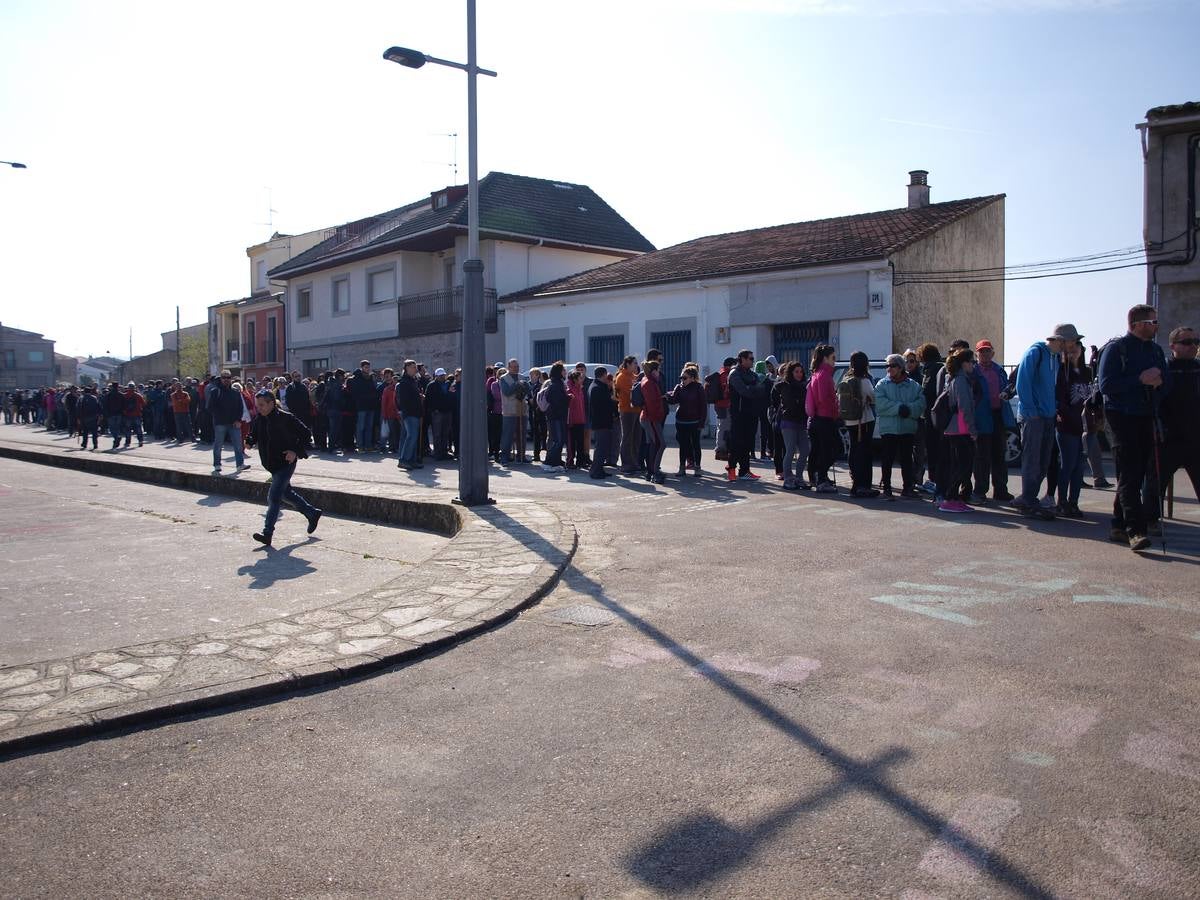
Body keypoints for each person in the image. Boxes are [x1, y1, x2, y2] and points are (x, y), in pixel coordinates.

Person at [1099, 305, 1171, 551]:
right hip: (1122, 417)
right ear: (1138, 324)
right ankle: (1136, 531)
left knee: (1136, 473)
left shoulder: (1155, 351)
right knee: (1130, 474)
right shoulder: (1116, 348)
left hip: (1146, 416)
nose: (1156, 326)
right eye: (1152, 321)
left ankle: (1118, 525)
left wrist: (1158, 384)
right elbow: (1106, 385)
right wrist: (1140, 379)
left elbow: (1166, 384)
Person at [244, 389, 321, 547]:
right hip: (271, 464)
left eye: (262, 405)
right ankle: (312, 513)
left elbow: (306, 434)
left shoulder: (286, 418)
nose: (259, 408)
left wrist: (295, 451)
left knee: (273, 497)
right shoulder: (259, 419)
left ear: (272, 403)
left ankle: (267, 534)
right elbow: (254, 434)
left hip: (286, 463)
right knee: (286, 494)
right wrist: (250, 441)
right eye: (258, 405)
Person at [1015, 326, 1073, 520]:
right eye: (1070, 340)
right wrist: (1032, 412)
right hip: (1034, 417)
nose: (1072, 345)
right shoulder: (1035, 353)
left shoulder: (1055, 358)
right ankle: (1029, 501)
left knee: (1043, 461)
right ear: (1061, 340)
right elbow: (1022, 382)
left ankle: (1027, 498)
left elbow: (1051, 387)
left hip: (1047, 416)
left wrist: (1054, 407)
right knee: (1032, 460)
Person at [874, 354, 925, 499]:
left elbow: (921, 403)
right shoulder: (882, 385)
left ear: (900, 367)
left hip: (907, 428)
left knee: (906, 459)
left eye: (892, 365)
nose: (888, 369)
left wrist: (909, 410)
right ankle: (887, 488)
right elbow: (880, 404)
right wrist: (899, 408)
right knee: (887, 459)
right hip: (888, 429)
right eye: (887, 366)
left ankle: (908, 487)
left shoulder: (913, 385)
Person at [1160, 326, 1200, 500]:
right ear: (1173, 346)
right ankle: (1151, 520)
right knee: (1156, 482)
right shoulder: (1165, 369)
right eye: (1186, 342)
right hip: (1170, 437)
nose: (1192, 346)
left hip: (1196, 437)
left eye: (1195, 342)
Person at [1055, 339, 1092, 518]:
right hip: (1067, 426)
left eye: (1075, 347)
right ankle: (1061, 502)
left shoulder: (1088, 372)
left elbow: (1093, 398)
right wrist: (1070, 415)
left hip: (1085, 427)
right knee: (1067, 464)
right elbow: (1060, 400)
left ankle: (1073, 502)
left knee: (1079, 467)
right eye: (1068, 349)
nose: (1072, 352)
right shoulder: (1061, 373)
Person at [973, 339, 1013, 502]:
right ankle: (980, 490)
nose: (985, 354)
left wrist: (1008, 392)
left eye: (987, 351)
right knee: (982, 456)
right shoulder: (973, 371)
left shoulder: (999, 370)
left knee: (999, 455)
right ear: (977, 354)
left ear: (993, 352)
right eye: (981, 351)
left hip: (998, 415)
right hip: (981, 417)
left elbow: (1009, 387)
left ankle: (1001, 490)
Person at [939, 349, 978, 513]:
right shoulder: (961, 380)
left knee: (959, 464)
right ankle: (949, 498)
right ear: (964, 363)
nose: (974, 365)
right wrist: (973, 430)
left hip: (954, 429)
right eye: (972, 361)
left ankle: (952, 498)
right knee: (962, 465)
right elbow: (965, 407)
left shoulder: (954, 378)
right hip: (960, 429)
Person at [840, 351, 878, 498]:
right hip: (864, 420)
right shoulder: (865, 381)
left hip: (850, 420)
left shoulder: (846, 378)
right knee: (865, 452)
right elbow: (874, 399)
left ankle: (855, 483)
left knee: (854, 450)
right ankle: (864, 485)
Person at [726, 349, 764, 482]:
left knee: (748, 443)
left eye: (753, 359)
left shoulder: (752, 374)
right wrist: (753, 389)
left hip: (752, 412)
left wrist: (752, 389)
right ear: (742, 359)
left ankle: (745, 470)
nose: (752, 361)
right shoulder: (734, 373)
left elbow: (761, 389)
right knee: (736, 442)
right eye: (750, 358)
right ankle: (731, 469)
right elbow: (743, 391)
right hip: (738, 413)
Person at [806, 344, 839, 492]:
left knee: (819, 450)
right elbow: (824, 399)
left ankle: (818, 476)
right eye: (833, 358)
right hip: (825, 418)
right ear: (825, 358)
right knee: (832, 449)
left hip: (816, 419)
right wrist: (836, 410)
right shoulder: (824, 375)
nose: (835, 361)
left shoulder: (817, 373)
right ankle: (821, 478)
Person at [775, 361, 810, 491]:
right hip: (788, 422)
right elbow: (789, 404)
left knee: (805, 450)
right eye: (796, 371)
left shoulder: (804, 386)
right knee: (790, 450)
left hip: (801, 422)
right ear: (791, 372)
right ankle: (788, 478)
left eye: (801, 371)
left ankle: (799, 478)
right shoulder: (785, 386)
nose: (799, 374)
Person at [668, 365, 707, 477]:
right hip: (681, 421)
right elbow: (674, 400)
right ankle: (681, 468)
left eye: (685, 378)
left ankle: (697, 467)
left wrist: (702, 422)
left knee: (696, 445)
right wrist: (667, 397)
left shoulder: (699, 388)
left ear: (693, 378)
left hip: (695, 422)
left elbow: (703, 407)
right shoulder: (679, 387)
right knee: (683, 445)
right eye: (681, 378)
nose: (682, 380)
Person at [207, 370, 249, 473]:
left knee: (238, 445)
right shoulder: (215, 391)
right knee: (218, 445)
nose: (226, 379)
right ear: (220, 378)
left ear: (231, 379)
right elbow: (210, 407)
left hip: (234, 423)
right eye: (224, 377)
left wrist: (239, 420)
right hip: (220, 423)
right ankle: (217, 464)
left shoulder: (235, 392)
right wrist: (220, 416)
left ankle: (240, 464)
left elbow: (240, 407)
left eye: (228, 377)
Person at [638, 360, 668, 483]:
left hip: (649, 417)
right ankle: (654, 472)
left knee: (653, 444)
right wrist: (657, 417)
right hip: (651, 418)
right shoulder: (649, 383)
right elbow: (651, 403)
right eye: (658, 370)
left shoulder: (648, 381)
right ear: (654, 371)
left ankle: (651, 471)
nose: (659, 372)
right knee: (659, 444)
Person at [587, 367, 617, 479]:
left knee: (602, 447)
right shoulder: (598, 388)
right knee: (601, 447)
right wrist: (613, 403)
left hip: (600, 421)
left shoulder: (595, 386)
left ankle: (599, 469)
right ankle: (595, 471)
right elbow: (603, 405)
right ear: (603, 375)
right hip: (601, 422)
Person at [395, 360, 424, 470]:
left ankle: (412, 460)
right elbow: (404, 400)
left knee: (414, 436)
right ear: (406, 368)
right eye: (412, 367)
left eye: (415, 367)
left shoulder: (413, 381)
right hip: (409, 413)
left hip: (415, 412)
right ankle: (404, 459)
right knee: (411, 435)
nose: (415, 369)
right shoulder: (404, 382)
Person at [498, 359, 528, 465]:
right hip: (509, 411)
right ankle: (504, 457)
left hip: (522, 409)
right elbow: (507, 392)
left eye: (517, 366)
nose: (516, 368)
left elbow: (527, 390)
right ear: (508, 367)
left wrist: (523, 388)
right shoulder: (503, 378)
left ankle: (521, 456)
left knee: (522, 434)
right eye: (513, 367)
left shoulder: (523, 377)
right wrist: (517, 385)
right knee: (508, 435)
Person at [614, 356, 640, 474]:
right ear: (628, 364)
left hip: (636, 411)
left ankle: (634, 463)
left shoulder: (633, 376)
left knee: (635, 438)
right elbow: (631, 393)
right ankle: (626, 465)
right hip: (627, 411)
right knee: (627, 438)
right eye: (634, 363)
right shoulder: (622, 377)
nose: (636, 365)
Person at [542, 362, 569, 473]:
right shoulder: (556, 385)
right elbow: (556, 401)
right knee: (558, 440)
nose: (565, 372)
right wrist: (568, 399)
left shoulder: (557, 383)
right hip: (556, 416)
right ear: (559, 372)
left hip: (557, 416)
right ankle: (548, 462)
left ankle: (556, 462)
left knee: (560, 440)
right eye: (563, 370)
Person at [708, 357, 734, 461]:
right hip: (723, 405)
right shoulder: (725, 375)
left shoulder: (721, 373)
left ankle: (722, 449)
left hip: (721, 404)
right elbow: (726, 391)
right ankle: (720, 450)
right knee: (723, 427)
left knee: (723, 426)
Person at [427, 368, 456, 460]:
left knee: (445, 433)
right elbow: (428, 399)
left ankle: (444, 452)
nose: (442, 377)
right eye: (440, 375)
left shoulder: (448, 384)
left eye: (443, 375)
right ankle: (437, 453)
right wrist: (433, 409)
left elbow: (451, 396)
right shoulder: (431, 385)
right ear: (436, 376)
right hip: (437, 412)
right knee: (437, 434)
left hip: (447, 412)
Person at [527, 367, 547, 462]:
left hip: (542, 412)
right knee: (535, 434)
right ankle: (536, 454)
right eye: (530, 375)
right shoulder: (527, 385)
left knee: (544, 433)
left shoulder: (542, 385)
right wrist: (528, 399)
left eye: (532, 375)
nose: (530, 376)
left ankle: (545, 449)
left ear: (538, 375)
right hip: (533, 412)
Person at [121, 382, 146, 448]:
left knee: (128, 429)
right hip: (137, 414)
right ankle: (140, 441)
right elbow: (144, 404)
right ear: (134, 388)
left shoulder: (124, 395)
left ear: (128, 388)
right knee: (138, 428)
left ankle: (127, 442)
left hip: (127, 414)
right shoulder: (138, 395)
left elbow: (122, 405)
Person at [77, 384, 102, 450]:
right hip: (93, 417)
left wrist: (78, 418)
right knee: (94, 432)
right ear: (90, 392)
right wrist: (99, 415)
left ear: (84, 391)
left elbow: (78, 409)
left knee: (85, 432)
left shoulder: (81, 398)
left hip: (84, 418)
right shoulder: (94, 398)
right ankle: (95, 444)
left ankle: (84, 444)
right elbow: (99, 407)